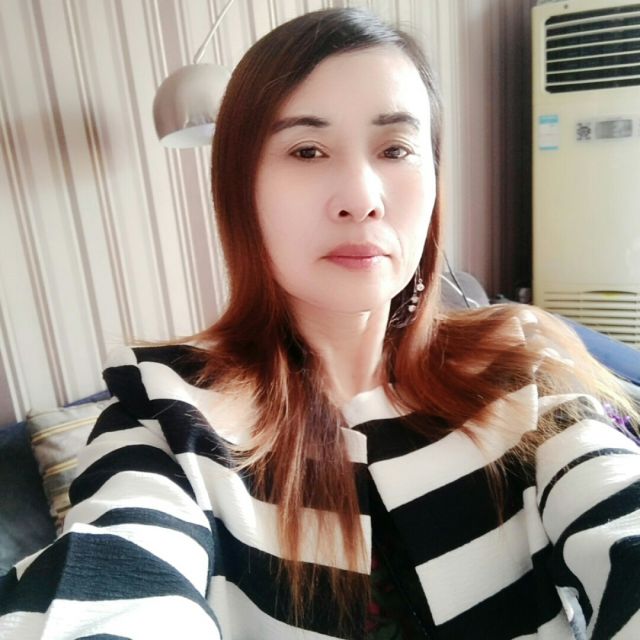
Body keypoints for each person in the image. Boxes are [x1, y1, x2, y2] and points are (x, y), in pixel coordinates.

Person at [1, 8, 639, 640]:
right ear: (241, 191)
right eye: (307, 150)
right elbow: (108, 579)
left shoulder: (521, 368)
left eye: (395, 149)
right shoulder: (165, 419)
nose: (361, 198)